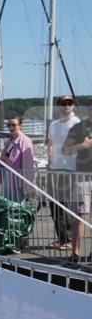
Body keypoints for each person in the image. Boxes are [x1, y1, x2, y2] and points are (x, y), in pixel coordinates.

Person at [47, 95, 80, 251]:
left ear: (73, 105)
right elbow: (51, 144)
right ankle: (61, 238)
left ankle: (67, 240)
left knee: (66, 206)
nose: (67, 105)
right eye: (63, 103)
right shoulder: (54, 125)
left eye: (69, 103)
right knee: (54, 206)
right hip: (55, 169)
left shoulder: (77, 123)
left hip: (71, 170)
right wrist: (49, 162)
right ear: (59, 105)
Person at [62, 99, 92, 264]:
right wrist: (83, 146)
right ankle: (75, 254)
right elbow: (66, 149)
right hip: (83, 176)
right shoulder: (79, 127)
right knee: (79, 216)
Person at [0, 117, 35, 203]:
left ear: (20, 126)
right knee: (6, 204)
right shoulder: (9, 141)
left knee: (17, 207)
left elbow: (27, 163)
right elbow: (4, 158)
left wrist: (28, 183)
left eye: (14, 125)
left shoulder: (25, 141)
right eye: (9, 125)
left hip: (18, 180)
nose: (11, 128)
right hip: (7, 177)